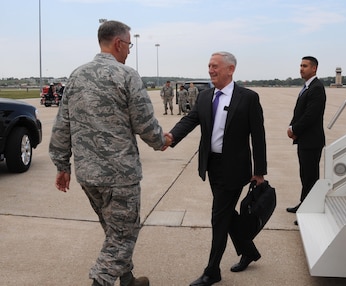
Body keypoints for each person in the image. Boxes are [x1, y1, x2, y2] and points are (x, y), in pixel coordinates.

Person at [49, 20, 171, 286]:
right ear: (118, 43)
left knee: (114, 231)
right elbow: (144, 122)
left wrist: (62, 165)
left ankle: (127, 280)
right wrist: (162, 140)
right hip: (120, 176)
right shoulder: (126, 75)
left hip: (88, 176)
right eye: (129, 44)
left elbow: (62, 125)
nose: (129, 50)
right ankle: (100, 282)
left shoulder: (76, 75)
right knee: (122, 237)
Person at [167, 51, 267, 286]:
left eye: (215, 66)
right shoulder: (205, 96)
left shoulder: (248, 98)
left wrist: (259, 171)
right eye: (209, 66)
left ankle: (212, 271)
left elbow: (258, 136)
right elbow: (190, 120)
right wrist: (171, 137)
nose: (210, 70)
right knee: (226, 214)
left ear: (230, 69)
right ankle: (249, 251)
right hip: (212, 166)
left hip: (235, 168)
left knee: (219, 217)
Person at [286, 56, 326, 222]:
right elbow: (300, 112)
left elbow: (311, 115)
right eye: (300, 65)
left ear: (314, 68)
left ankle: (309, 209)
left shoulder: (316, 88)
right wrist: (292, 126)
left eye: (305, 66)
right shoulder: (308, 87)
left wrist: (294, 129)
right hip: (305, 139)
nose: (301, 68)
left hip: (311, 140)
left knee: (310, 176)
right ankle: (304, 203)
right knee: (305, 174)